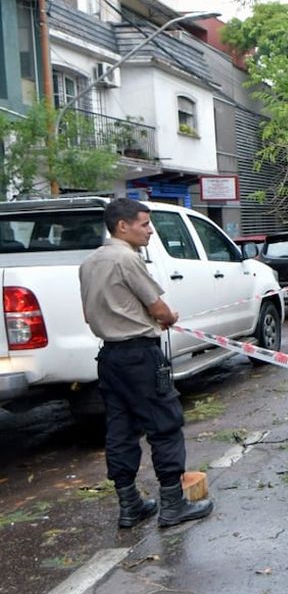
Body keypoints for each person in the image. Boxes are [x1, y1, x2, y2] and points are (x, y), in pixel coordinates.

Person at [79, 198, 213, 528]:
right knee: (164, 425)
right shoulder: (127, 259)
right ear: (122, 226)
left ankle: (130, 505)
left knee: (121, 430)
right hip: (140, 356)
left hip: (109, 357)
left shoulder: (89, 262)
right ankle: (172, 504)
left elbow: (87, 314)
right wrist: (168, 317)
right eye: (144, 224)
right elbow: (159, 309)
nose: (150, 230)